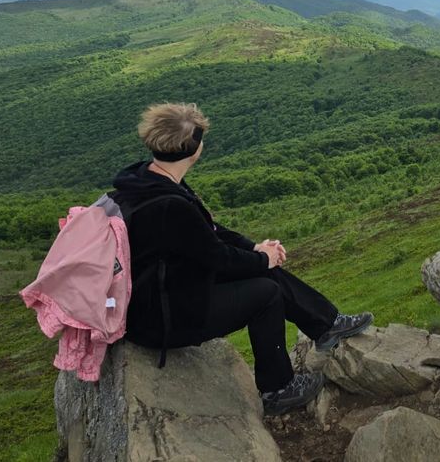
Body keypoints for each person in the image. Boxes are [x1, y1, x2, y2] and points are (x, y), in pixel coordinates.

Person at [110, 102, 372, 415]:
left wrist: (256, 249)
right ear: (193, 148)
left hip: (162, 292)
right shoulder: (168, 205)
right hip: (162, 317)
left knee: (266, 271)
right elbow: (217, 257)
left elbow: (210, 232)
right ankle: (278, 389)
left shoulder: (148, 179)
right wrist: (264, 260)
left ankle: (327, 325)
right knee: (267, 293)